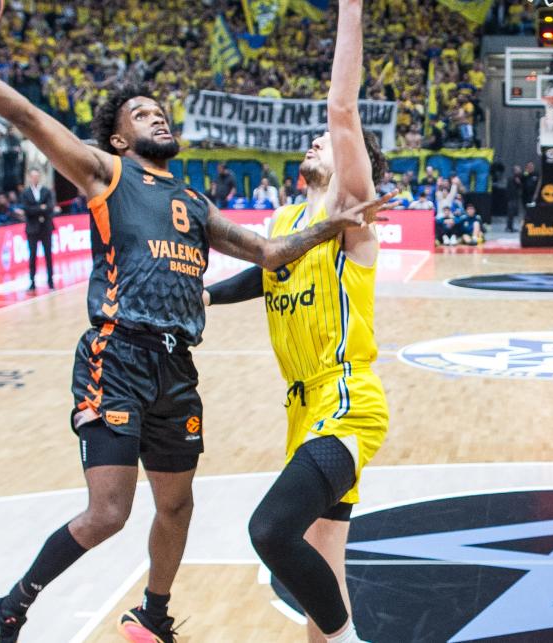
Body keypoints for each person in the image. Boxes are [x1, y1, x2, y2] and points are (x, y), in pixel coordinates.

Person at [0, 3, 386, 642]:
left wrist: (334, 225)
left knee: (182, 507)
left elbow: (271, 256)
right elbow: (23, 115)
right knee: (110, 513)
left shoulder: (195, 201)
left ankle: (155, 616)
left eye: (160, 108)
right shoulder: (107, 173)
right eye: (140, 112)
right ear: (120, 139)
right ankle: (11, 608)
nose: (155, 112)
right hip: (120, 353)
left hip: (187, 367)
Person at [204, 3, 386, 641]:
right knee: (323, 582)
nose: (320, 138)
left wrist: (349, 9)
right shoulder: (285, 226)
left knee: (269, 531)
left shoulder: (352, 219)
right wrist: (205, 299)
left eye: (330, 144)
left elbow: (342, 108)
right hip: (301, 411)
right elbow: (264, 275)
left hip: (346, 403)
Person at [22, 168, 57, 291]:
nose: (35, 178)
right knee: (32, 256)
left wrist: (37, 209)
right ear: (30, 178)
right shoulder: (26, 193)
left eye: (37, 176)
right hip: (32, 229)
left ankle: (51, 281)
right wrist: (40, 208)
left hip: (45, 228)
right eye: (33, 176)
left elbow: (50, 207)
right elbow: (27, 209)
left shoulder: (46, 191)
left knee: (48, 255)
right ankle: (32, 282)